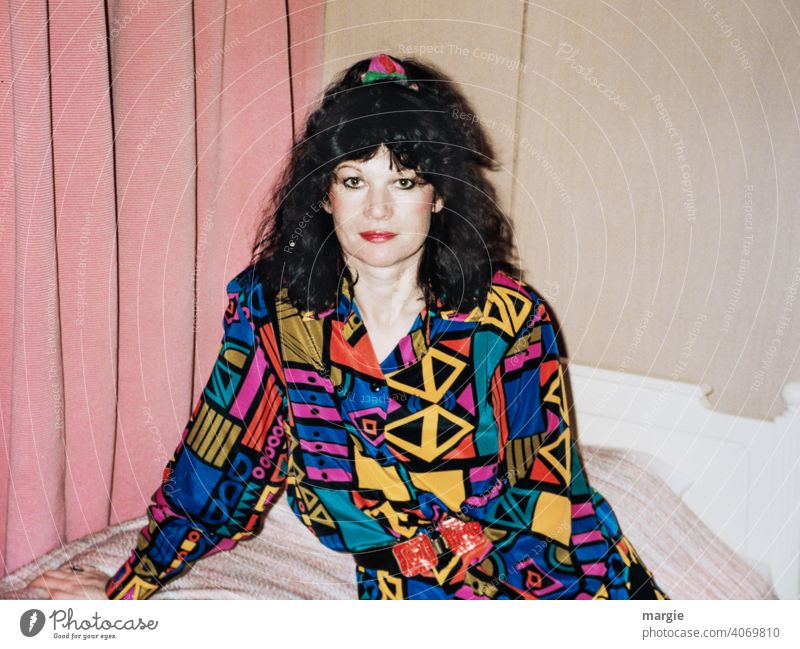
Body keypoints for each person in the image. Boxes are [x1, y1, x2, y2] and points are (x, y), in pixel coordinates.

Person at [28, 53, 668, 600]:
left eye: (405, 181)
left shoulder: (508, 318)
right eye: (354, 180)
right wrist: (130, 585)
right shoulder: (273, 312)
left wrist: (423, 570)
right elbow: (219, 461)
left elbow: (542, 493)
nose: (379, 209)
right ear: (325, 193)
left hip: (543, 575)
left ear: (439, 194)